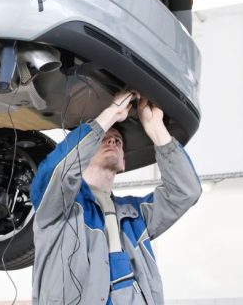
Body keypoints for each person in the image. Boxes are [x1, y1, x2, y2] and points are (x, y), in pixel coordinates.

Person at [29, 90, 201, 304]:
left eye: (118, 141)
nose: (113, 141)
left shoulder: (136, 216)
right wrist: (111, 113)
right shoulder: (61, 205)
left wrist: (156, 127)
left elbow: (186, 192)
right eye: (104, 139)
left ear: (123, 162)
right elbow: (55, 172)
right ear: (86, 152)